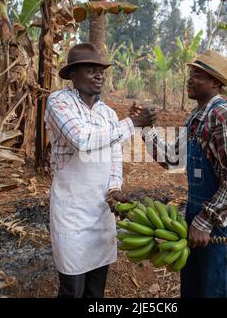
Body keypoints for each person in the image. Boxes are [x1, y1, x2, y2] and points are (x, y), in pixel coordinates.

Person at [45, 43, 156, 298]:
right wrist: (132, 123)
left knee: (96, 289)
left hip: (101, 212)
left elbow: (114, 154)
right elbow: (82, 140)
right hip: (72, 212)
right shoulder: (60, 102)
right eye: (91, 70)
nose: (99, 75)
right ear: (73, 75)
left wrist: (115, 187)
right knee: (72, 289)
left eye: (101, 71)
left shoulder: (107, 113)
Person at [137, 50, 227, 297]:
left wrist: (206, 220)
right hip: (198, 217)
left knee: (216, 290)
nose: (190, 80)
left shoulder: (223, 116)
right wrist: (147, 130)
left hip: (221, 222)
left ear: (216, 83)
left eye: (198, 76)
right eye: (191, 74)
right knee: (195, 288)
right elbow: (173, 160)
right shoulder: (196, 118)